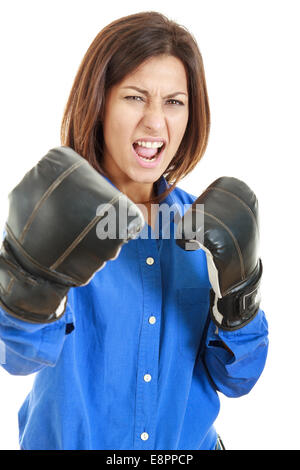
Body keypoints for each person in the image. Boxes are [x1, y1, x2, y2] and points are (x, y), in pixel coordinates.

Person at [0, 11, 268, 451]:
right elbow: (18, 357)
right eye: (134, 97)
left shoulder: (206, 227)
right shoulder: (61, 215)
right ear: (100, 102)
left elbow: (238, 379)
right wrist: (28, 278)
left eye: (174, 102)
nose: (155, 123)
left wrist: (241, 295)